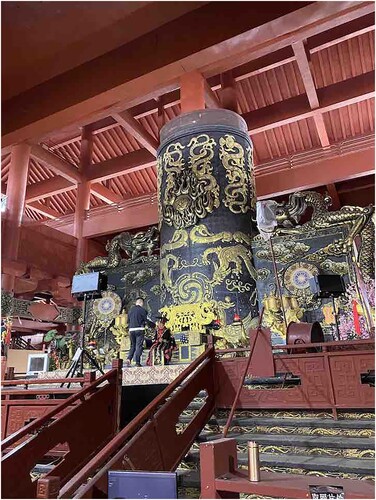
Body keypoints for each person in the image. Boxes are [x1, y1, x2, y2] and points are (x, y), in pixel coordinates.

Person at [126, 298, 154, 367]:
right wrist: (153, 325)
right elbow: (146, 320)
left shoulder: (130, 311)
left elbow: (128, 321)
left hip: (131, 330)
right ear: (141, 303)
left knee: (132, 345)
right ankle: (137, 362)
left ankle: (129, 358)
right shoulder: (142, 310)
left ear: (136, 303)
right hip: (139, 329)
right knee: (138, 346)